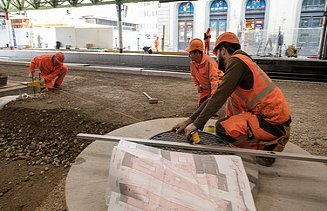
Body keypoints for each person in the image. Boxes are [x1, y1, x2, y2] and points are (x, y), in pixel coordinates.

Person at [173, 32, 291, 167]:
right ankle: (262, 139)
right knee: (231, 106)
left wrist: (197, 125)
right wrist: (189, 120)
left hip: (272, 123)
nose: (217, 60)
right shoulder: (241, 62)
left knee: (222, 128)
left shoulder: (236, 62)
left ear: (223, 51)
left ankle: (266, 148)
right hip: (270, 118)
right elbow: (214, 98)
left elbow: (218, 97)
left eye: (217, 54)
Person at [186, 38, 224, 106]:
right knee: (201, 106)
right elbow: (194, 76)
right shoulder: (193, 63)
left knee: (209, 107)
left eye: (190, 53)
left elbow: (214, 80)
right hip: (206, 87)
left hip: (217, 86)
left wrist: (213, 96)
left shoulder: (209, 62)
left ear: (197, 53)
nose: (189, 55)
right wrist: (198, 86)